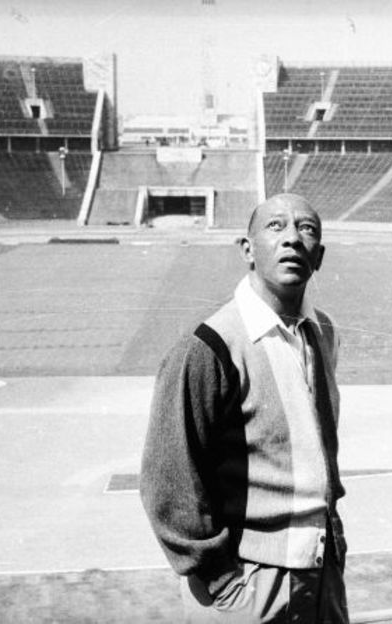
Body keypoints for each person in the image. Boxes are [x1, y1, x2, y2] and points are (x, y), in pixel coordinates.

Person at [140, 193, 348, 623]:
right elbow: (168, 479)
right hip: (248, 584)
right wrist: (222, 582)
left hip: (321, 573)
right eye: (275, 226)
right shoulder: (208, 347)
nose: (292, 238)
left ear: (320, 255)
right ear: (248, 250)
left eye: (306, 228)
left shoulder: (323, 332)